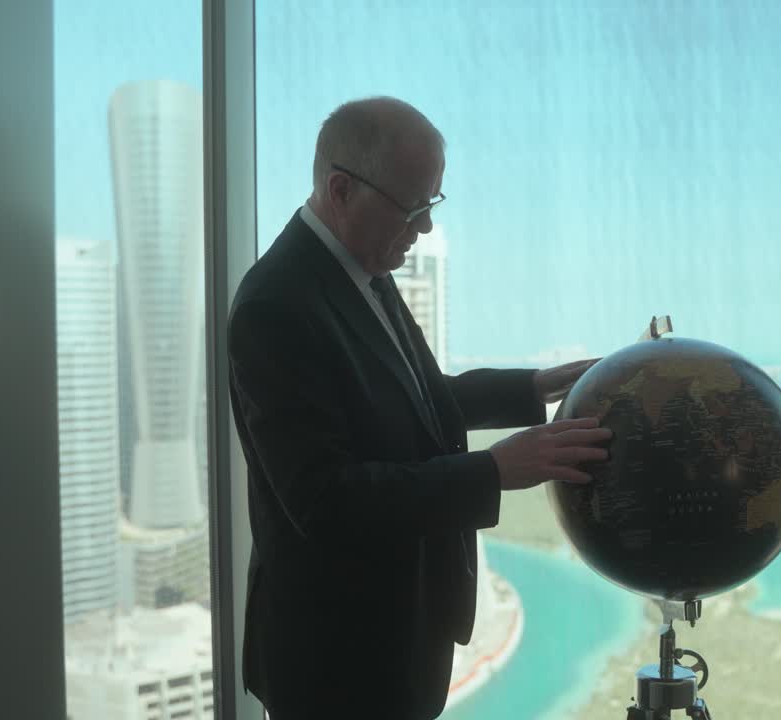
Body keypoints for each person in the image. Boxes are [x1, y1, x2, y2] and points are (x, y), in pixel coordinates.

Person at [227, 96, 612, 720]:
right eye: (412, 208)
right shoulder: (276, 305)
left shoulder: (358, 270)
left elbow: (412, 397)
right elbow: (324, 500)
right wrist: (495, 471)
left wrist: (532, 387)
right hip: (338, 665)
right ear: (340, 190)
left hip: (394, 647)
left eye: (431, 204)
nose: (425, 228)